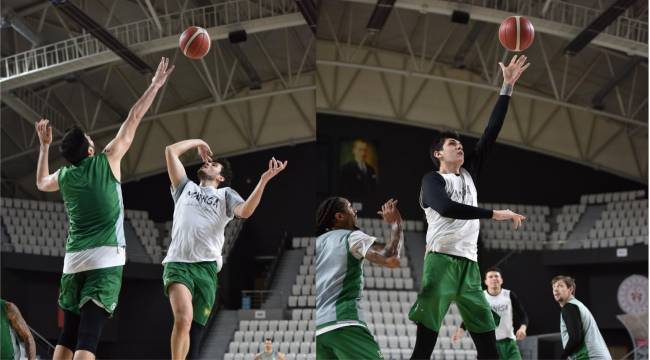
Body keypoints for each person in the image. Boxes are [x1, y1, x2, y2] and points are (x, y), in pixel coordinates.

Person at [35, 57, 174, 360]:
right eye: (88, 138)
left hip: (73, 261)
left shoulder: (66, 176)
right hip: (105, 257)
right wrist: (154, 85)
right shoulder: (108, 159)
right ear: (89, 149)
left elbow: (42, 183)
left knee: (68, 333)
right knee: (89, 335)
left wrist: (44, 147)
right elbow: (134, 117)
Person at [408, 55, 530, 360]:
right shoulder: (432, 180)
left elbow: (491, 131)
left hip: (470, 266)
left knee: (488, 346)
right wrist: (493, 213)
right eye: (452, 144)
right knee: (425, 345)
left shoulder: (469, 171)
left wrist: (507, 87)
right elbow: (447, 208)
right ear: (438, 153)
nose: (459, 146)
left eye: (460, 144)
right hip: (441, 263)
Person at [163, 138, 287, 360]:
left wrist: (263, 180)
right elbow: (171, 151)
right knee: (183, 319)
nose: (207, 164)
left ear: (220, 177)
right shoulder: (185, 187)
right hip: (178, 264)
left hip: (207, 269)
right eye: (208, 163)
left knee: (196, 338)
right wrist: (199, 142)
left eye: (214, 165)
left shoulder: (226, 195)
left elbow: (246, 211)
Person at [315, 197, 403, 359]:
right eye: (349, 207)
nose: (355, 210)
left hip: (320, 331)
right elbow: (390, 257)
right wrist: (396, 223)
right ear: (339, 216)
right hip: (344, 324)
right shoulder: (351, 236)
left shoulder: (319, 241)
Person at [452, 267, 529, 359]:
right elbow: (472, 316)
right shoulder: (481, 297)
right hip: (489, 344)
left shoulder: (509, 295)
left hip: (509, 343)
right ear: (485, 281)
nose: (494, 278)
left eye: (496, 276)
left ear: (501, 280)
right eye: (490, 276)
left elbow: (523, 315)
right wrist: (461, 330)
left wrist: (523, 328)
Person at [552, 275, 612, 360]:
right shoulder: (577, 305)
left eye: (560, 286)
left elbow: (575, 337)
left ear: (570, 289)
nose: (555, 289)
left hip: (589, 357)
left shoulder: (570, 307)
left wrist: (563, 356)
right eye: (554, 286)